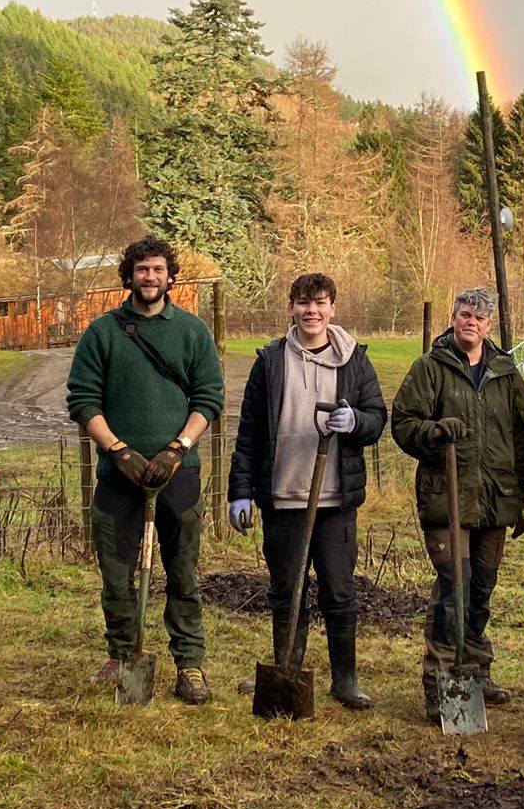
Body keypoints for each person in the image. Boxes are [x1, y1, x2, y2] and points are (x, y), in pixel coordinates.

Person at [67, 236, 225, 704]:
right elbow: (82, 399)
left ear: (169, 275)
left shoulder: (192, 332)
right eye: (141, 270)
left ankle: (190, 663)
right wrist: (118, 451)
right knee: (116, 571)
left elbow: (209, 398)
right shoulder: (104, 332)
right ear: (128, 276)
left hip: (182, 473)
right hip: (120, 476)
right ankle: (122, 654)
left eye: (158, 269)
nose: (150, 277)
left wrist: (178, 448)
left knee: (183, 572)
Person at [226, 272, 388, 709]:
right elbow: (250, 432)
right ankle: (286, 669)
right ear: (291, 308)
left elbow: (377, 417)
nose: (311, 311)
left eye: (319, 303)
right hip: (283, 497)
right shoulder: (271, 360)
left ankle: (345, 679)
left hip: (334, 500)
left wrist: (355, 422)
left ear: (333, 308)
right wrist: (239, 491)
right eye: (302, 303)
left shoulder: (354, 360)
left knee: (338, 591)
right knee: (285, 590)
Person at [390, 286, 524, 721]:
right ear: (453, 318)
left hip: (495, 500)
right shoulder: (429, 369)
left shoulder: (507, 374)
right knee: (455, 587)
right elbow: (402, 423)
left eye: (479, 317)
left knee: (481, 590)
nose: (470, 321)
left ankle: (474, 669)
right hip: (446, 498)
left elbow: (520, 440)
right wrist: (433, 433)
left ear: (489, 326)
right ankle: (439, 681)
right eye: (464, 314)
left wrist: (521, 498)